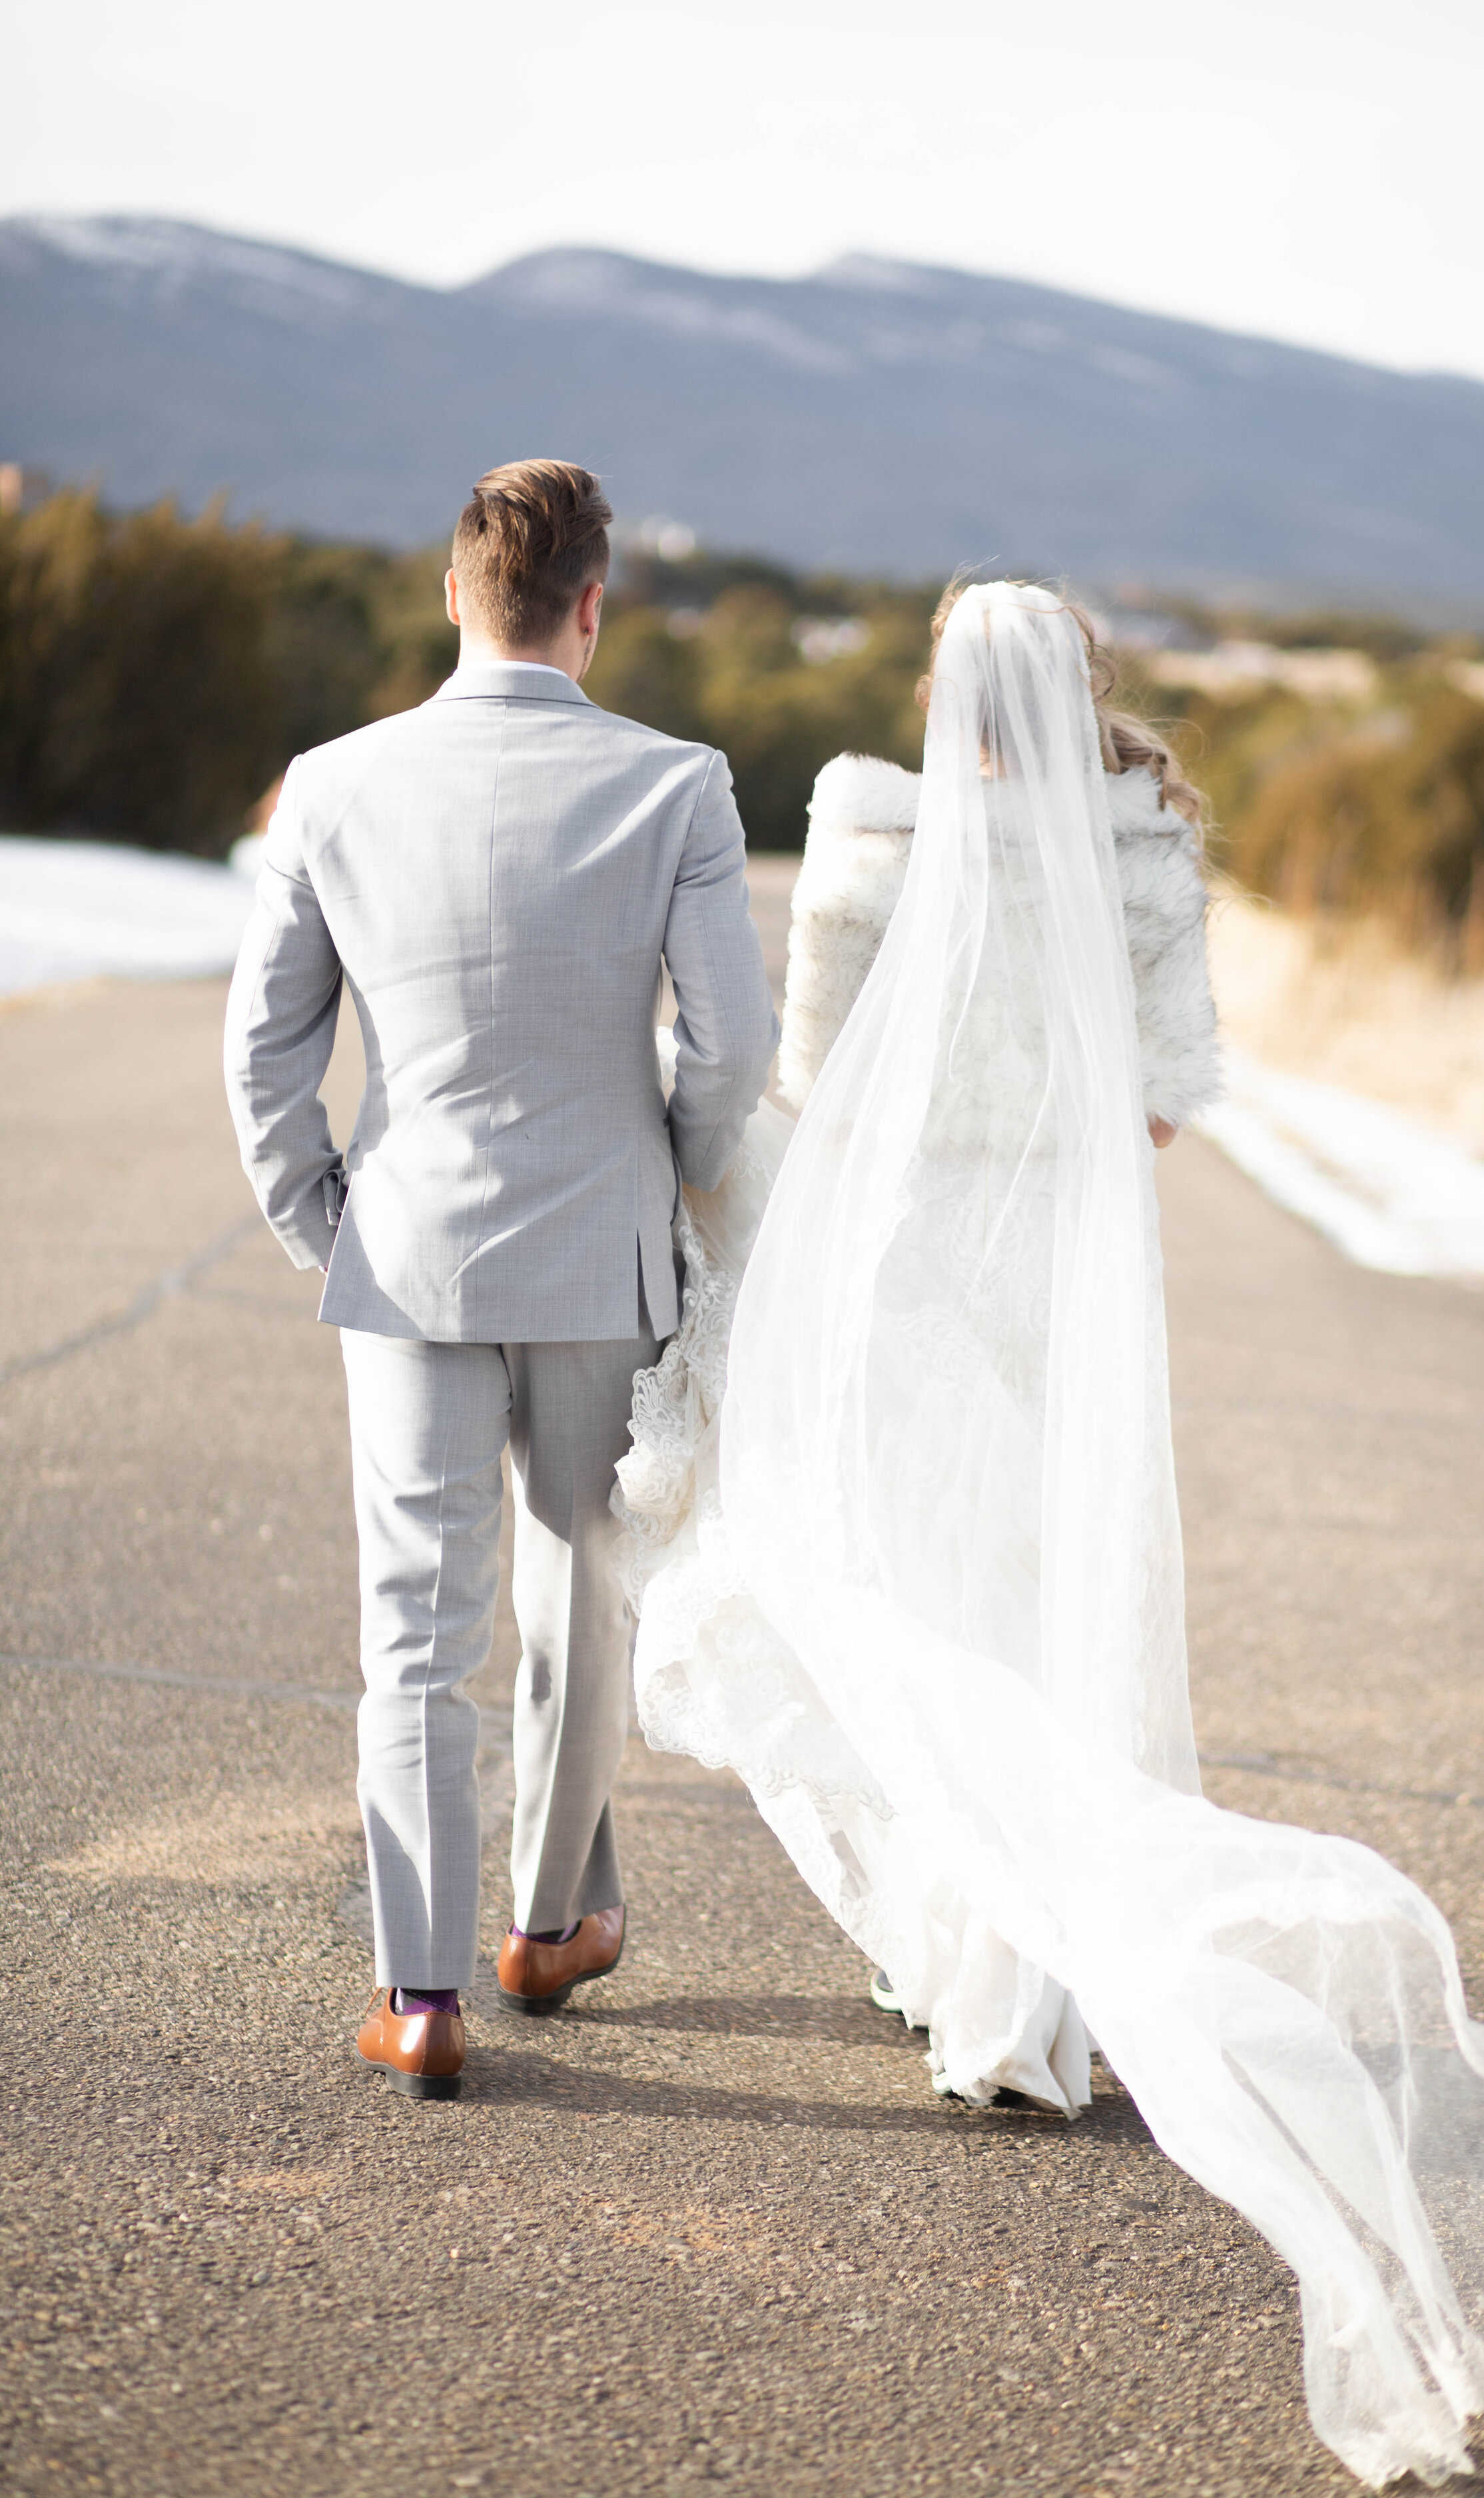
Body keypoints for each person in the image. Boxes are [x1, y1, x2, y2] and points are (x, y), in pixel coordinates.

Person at [614, 581, 1484, 2487]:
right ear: (1083, 692)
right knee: (1039, 1618)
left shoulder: (863, 833)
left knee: (915, 1607)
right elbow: (1159, 1107)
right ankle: (1025, 1999)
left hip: (898, 1285)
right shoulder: (1143, 849)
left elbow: (816, 1078)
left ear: (937, 688)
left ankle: (949, 1955)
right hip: (1051, 1293)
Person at [224, 458, 778, 2100]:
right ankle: (547, 1929)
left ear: (453, 595)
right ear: (591, 610)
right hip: (603, 1249)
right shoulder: (678, 784)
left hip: (401, 1249)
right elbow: (731, 1044)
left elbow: (266, 1048)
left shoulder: (328, 783)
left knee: (416, 1628)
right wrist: (665, 1169)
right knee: (580, 1591)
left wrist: (319, 1223)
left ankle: (421, 1996)